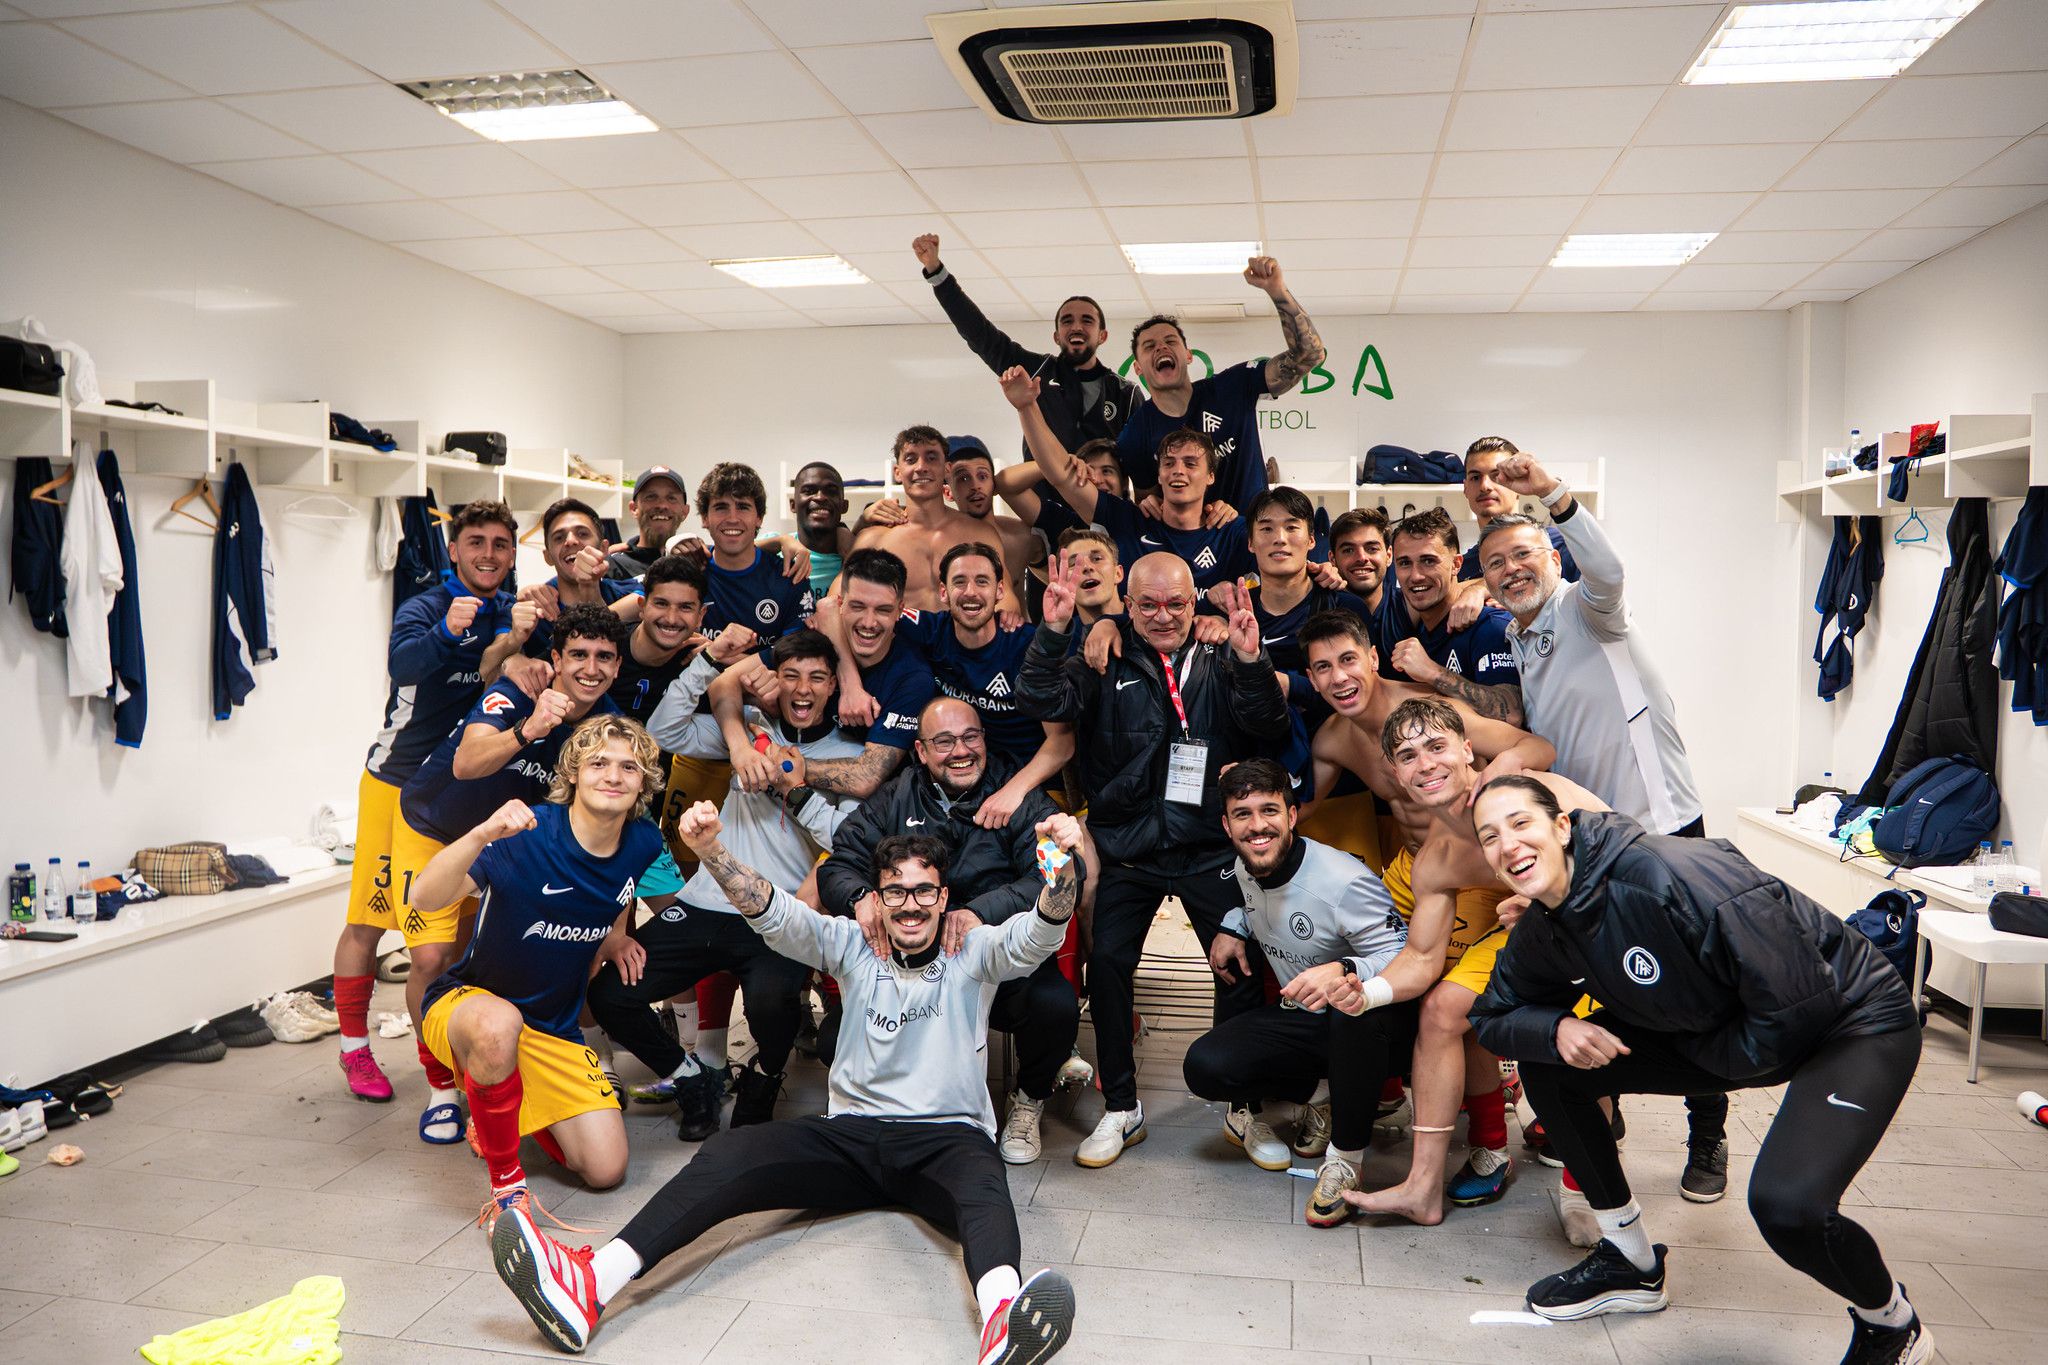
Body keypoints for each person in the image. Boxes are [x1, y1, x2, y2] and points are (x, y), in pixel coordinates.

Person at [490, 805, 1085, 1365]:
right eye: (896, 891)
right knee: (731, 1151)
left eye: (923, 890)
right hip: (850, 1138)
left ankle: (1003, 1320)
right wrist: (712, 851)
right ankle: (591, 1283)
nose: (910, 905)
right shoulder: (852, 943)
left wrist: (1059, 860)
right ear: (877, 898)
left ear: (943, 897)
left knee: (985, 1187)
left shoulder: (974, 950)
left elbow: (1043, 928)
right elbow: (774, 912)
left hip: (947, 1137)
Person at [1467, 778, 1928, 1365]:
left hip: (1850, 1019)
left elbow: (1798, 999)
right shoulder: (1547, 927)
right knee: (1549, 1060)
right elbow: (1492, 1014)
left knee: (1788, 1207)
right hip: (1718, 1031)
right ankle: (1629, 1261)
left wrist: (1709, 1061)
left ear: (1562, 826)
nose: (1507, 844)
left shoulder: (1671, 872)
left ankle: (1892, 1324)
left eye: (1520, 823)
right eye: (1490, 837)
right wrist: (1556, 1028)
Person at [1017, 551, 1289, 1167]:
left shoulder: (1223, 654)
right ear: (1127, 604)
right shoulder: (1102, 652)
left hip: (1207, 845)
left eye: (1177, 603)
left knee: (1239, 964)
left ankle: (1242, 1107)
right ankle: (1122, 1106)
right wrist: (1055, 628)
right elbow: (1039, 699)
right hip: (1129, 847)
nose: (1164, 616)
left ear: (1197, 602)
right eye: (1148, 604)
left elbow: (1269, 726)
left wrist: (1252, 659)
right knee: (1108, 964)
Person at [1328, 699, 1600, 1225]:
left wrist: (1558, 904)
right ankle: (1424, 1187)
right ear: (1394, 773)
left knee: (1581, 1030)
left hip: (1598, 924)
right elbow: (1422, 957)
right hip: (1527, 932)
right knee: (1441, 1009)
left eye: (1436, 747)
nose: (1425, 764)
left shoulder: (1527, 795)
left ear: (1467, 750)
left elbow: (1620, 859)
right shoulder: (1437, 858)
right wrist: (1367, 993)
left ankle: (1583, 1188)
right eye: (1408, 756)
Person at [409, 716, 666, 1226]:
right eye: (598, 763)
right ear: (572, 773)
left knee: (605, 1169)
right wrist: (483, 833)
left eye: (628, 767)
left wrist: (616, 934)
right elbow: (424, 896)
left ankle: (505, 1102)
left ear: (643, 782)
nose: (613, 776)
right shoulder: (524, 834)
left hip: (553, 1028)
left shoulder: (643, 841)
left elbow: (622, 886)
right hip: (468, 1006)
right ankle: (508, 1187)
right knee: (497, 1026)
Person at [613, 627, 865, 1136]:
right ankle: (691, 1079)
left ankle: (764, 1076)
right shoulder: (748, 728)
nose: (803, 689)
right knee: (612, 991)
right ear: (774, 681)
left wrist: (796, 789)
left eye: (817, 677)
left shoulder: (849, 755)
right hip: (706, 900)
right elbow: (663, 731)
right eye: (790, 675)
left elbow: (849, 836)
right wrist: (710, 670)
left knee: (773, 1005)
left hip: (779, 910)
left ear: (834, 686)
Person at [393, 605, 628, 1142]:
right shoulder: (520, 692)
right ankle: (440, 1091)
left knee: (495, 963)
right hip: (435, 824)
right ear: (556, 659)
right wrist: (531, 727)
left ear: (616, 667)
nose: (590, 668)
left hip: (504, 842)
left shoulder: (606, 724)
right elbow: (467, 763)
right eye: (578, 655)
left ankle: (496, 1078)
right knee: (433, 956)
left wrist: (614, 929)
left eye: (603, 658)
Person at [819, 695, 1084, 1163]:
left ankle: (1028, 1099)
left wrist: (978, 911)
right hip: (911, 962)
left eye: (970, 737)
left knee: (1055, 1006)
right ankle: (903, 1095)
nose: (961, 751)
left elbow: (1047, 876)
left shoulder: (1017, 794)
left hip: (993, 955)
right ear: (920, 751)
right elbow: (840, 863)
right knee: (831, 1037)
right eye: (943, 741)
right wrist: (862, 899)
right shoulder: (896, 795)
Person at [332, 500, 521, 1109]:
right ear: (454, 550)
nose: (487, 554)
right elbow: (402, 663)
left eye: (499, 543)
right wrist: (447, 632)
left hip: (465, 789)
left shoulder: (511, 607)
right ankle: (355, 1046)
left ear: (513, 552)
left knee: (455, 932)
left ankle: (455, 1053)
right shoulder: (426, 606)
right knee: (372, 919)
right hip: (396, 784)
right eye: (475, 542)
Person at [1183, 760, 1414, 1226]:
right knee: (1205, 1067)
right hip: (1306, 1018)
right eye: (1242, 814)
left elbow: (1406, 953)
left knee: (1353, 1007)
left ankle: (1345, 1160)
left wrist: (1345, 968)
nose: (1257, 826)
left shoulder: (1343, 880)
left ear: (1291, 816)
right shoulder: (1247, 862)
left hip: (1380, 1026)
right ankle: (1324, 1096)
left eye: (1269, 810)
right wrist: (1232, 927)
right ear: (1227, 826)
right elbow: (1254, 904)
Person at [1004, 368, 1253, 592]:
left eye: (1190, 463)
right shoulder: (1127, 521)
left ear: (1211, 476)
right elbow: (1061, 475)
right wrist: (1027, 407)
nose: (1178, 470)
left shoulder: (1232, 532)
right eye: (1168, 463)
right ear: (1159, 474)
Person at [1115, 256, 1325, 511]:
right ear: (1138, 368)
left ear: (1188, 355)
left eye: (1170, 341)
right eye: (1149, 346)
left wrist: (1276, 289)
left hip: (1253, 536)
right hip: (1192, 547)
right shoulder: (1136, 434)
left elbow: (1310, 355)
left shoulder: (1233, 386)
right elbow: (1149, 504)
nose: (1161, 347)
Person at [916, 230, 1138, 458]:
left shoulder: (1126, 393)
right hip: (1040, 493)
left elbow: (1140, 461)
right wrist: (937, 273)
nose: (1076, 327)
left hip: (1101, 493)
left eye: (1087, 321)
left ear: (1103, 336)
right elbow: (978, 332)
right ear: (1057, 336)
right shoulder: (1031, 370)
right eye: (1067, 321)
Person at [899, 541, 1073, 802]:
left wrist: (1012, 792)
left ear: (999, 590)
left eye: (982, 581)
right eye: (959, 582)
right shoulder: (930, 629)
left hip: (1032, 785)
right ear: (943, 592)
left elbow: (1062, 742)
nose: (970, 592)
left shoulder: (1026, 645)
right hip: (962, 779)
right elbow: (860, 607)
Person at [794, 548, 939, 801]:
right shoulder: (817, 641)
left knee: (853, 807)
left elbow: (866, 778)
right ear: (841, 604)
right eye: (858, 606)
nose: (869, 622)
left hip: (879, 796)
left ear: (900, 611)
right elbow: (729, 682)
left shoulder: (914, 678)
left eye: (883, 610)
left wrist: (785, 766)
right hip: (815, 748)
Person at [1376, 508, 1523, 725]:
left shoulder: (1489, 625)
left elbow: (1511, 713)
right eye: (1405, 563)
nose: (1416, 576)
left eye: (1428, 561)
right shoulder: (1413, 629)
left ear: (1456, 564)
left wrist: (1433, 673)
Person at [852, 426, 1023, 613]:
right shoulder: (874, 539)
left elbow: (1005, 597)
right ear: (897, 472)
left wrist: (1006, 617)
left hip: (965, 639)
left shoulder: (980, 533)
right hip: (901, 640)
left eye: (931, 458)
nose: (921, 467)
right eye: (911, 459)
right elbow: (839, 598)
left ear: (947, 469)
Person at [695, 462, 815, 640]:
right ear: (705, 518)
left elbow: (794, 656)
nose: (733, 519)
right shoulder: (689, 571)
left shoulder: (790, 579)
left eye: (743, 507)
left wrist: (712, 654)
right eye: (721, 507)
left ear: (759, 518)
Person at [514, 498, 643, 658]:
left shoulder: (627, 593)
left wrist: (590, 588)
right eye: (559, 537)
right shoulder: (535, 609)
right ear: (547, 556)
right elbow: (494, 665)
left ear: (603, 549)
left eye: (582, 533)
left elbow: (653, 599)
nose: (570, 541)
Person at [1460, 438, 1578, 584]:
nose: (1485, 486)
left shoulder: (1559, 545)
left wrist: (1483, 588)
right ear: (1465, 488)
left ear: (1519, 483)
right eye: (1475, 477)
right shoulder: (1463, 567)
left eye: (1496, 476)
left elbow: (1600, 591)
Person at [945, 436, 1037, 612]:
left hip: (1018, 636)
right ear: (947, 492)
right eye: (963, 478)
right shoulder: (943, 542)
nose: (975, 486)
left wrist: (1067, 459)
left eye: (982, 476)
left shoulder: (1022, 536)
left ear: (994, 485)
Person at [606, 465, 688, 579]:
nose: (662, 505)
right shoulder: (612, 566)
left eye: (671, 498)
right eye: (651, 497)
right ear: (634, 508)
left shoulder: (694, 566)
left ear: (685, 511)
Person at [792, 461, 854, 600]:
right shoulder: (777, 552)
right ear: (793, 505)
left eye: (831, 491)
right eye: (808, 491)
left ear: (844, 506)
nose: (820, 497)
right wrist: (779, 541)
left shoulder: (857, 557)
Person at [1328, 507, 1393, 615]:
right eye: (1348, 550)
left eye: (1372, 549)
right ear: (1332, 559)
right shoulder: (1318, 608)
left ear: (1389, 555)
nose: (1361, 558)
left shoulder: (1410, 607)